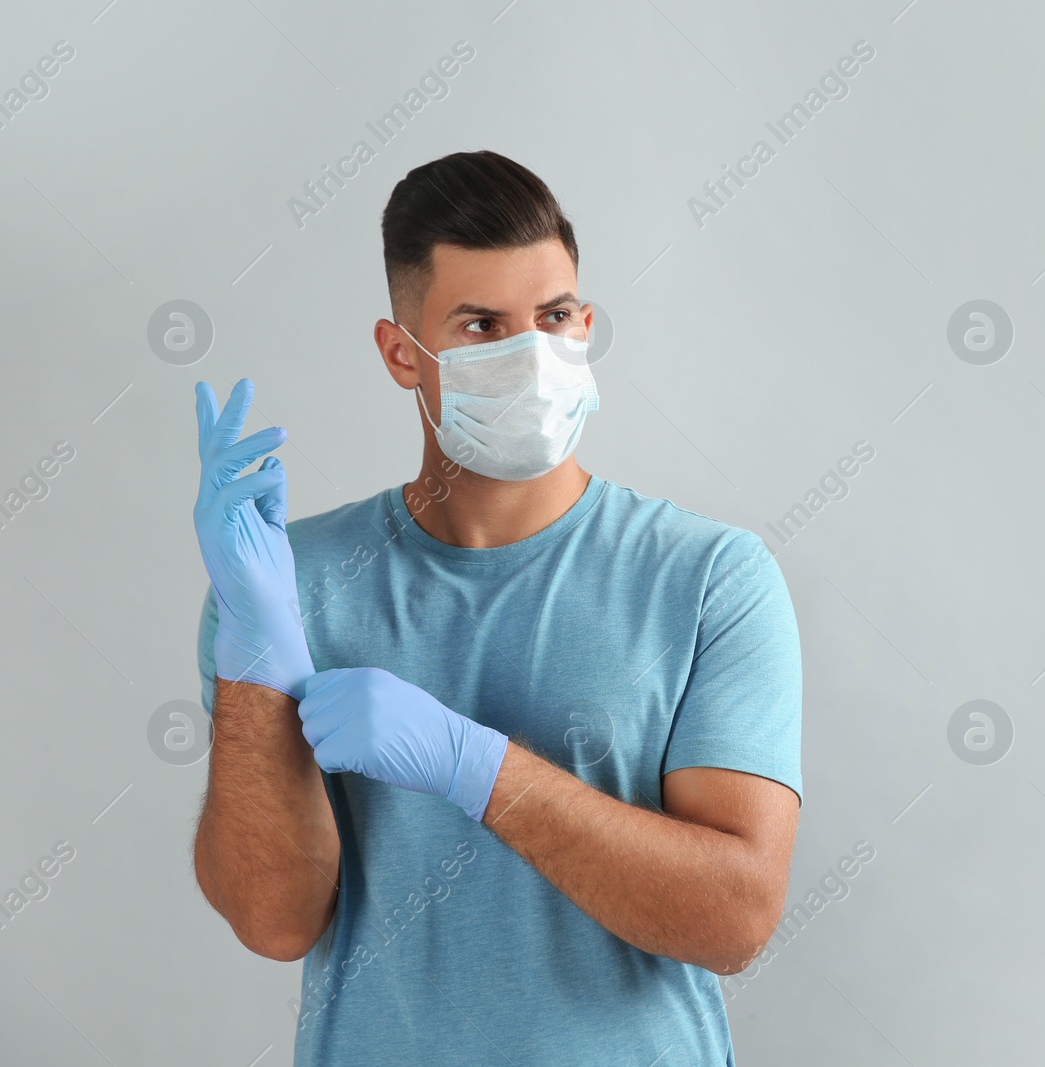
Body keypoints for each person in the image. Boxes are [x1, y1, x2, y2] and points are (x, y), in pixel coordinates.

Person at [189, 149, 803, 1065]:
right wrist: (253, 662)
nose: (530, 357)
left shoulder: (709, 576)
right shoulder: (287, 582)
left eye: (553, 318)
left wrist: (470, 764)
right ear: (404, 354)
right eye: (481, 324)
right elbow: (273, 919)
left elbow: (735, 919)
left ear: (585, 324)